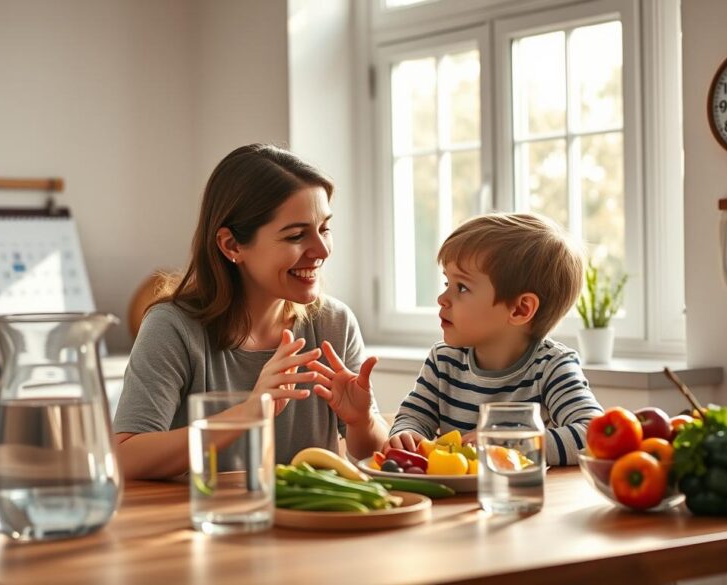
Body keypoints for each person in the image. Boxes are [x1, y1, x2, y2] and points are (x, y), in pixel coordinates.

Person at [114, 144, 388, 479]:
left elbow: (372, 455)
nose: (321, 250)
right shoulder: (172, 328)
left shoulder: (334, 323)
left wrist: (363, 421)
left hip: (308, 528)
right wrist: (248, 413)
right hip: (200, 526)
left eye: (325, 228)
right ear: (232, 245)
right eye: (297, 235)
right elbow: (126, 456)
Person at [385, 213, 604, 466]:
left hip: (519, 496)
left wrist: (505, 444)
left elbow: (593, 435)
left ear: (520, 309)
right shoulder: (443, 360)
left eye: (462, 287)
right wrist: (406, 435)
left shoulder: (551, 367)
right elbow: (414, 417)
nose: (442, 298)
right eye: (447, 282)